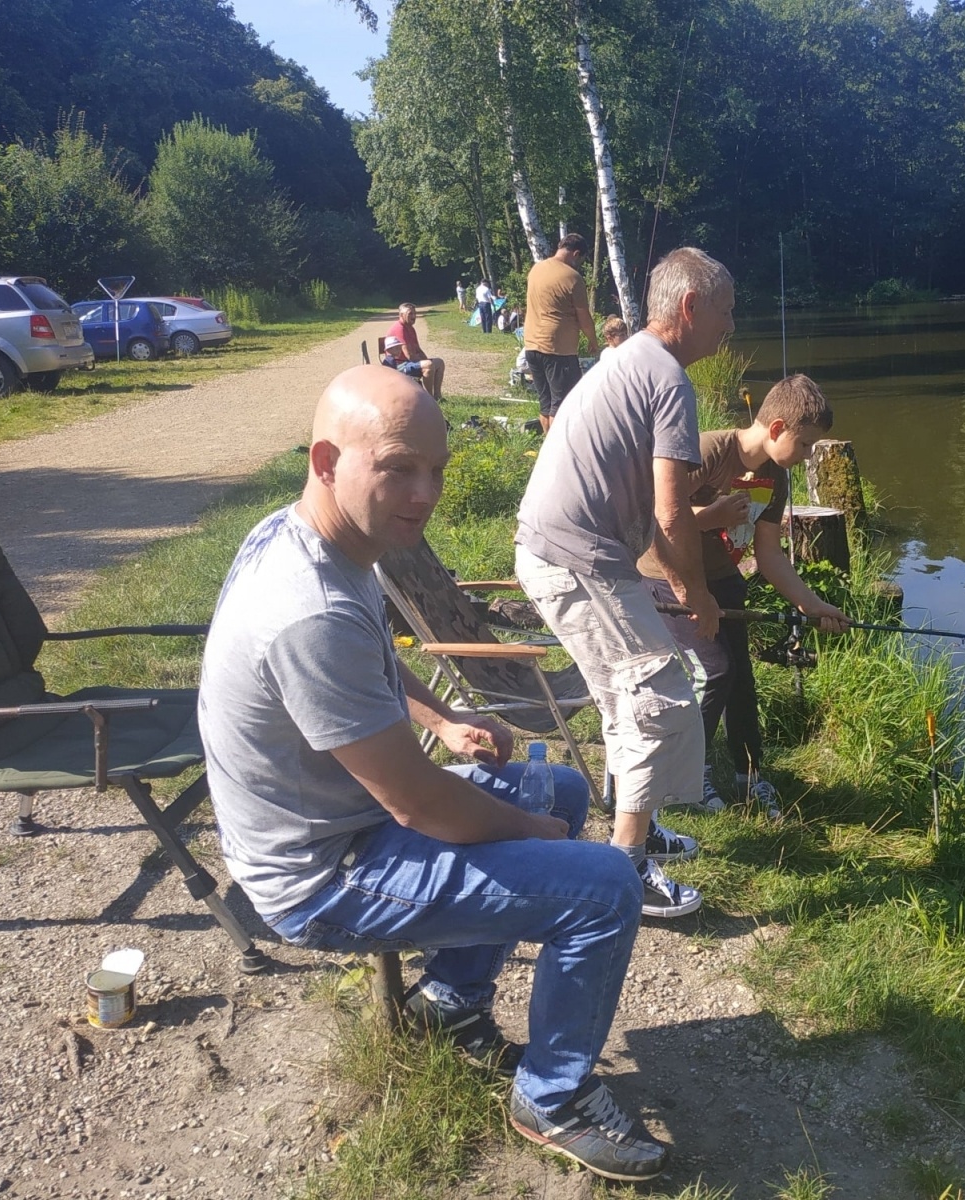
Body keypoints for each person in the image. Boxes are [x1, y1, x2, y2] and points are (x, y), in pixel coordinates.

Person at [197, 365, 667, 1182]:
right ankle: (551, 1099)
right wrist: (535, 836)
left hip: (347, 821)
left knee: (557, 783)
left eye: (438, 470)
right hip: (321, 875)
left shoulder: (314, 535)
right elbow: (418, 806)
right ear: (325, 460)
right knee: (603, 884)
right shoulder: (305, 609)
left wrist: (441, 719)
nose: (425, 493)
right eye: (398, 468)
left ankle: (450, 1002)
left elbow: (370, 655)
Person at [514, 246, 732, 919]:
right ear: (691, 307)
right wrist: (698, 598)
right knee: (659, 695)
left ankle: (639, 827)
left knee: (623, 697)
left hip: (559, 550)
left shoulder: (630, 358)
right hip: (576, 557)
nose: (730, 329)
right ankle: (626, 868)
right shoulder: (667, 378)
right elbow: (671, 514)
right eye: (726, 313)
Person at [638, 374, 849, 817]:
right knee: (714, 672)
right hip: (665, 577)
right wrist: (709, 515)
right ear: (776, 429)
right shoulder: (709, 451)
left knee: (741, 680)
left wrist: (812, 604)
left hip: (723, 577)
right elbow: (654, 519)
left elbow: (770, 556)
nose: (809, 455)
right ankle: (683, 780)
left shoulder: (777, 475)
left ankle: (748, 773)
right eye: (806, 444)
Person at [524, 232, 599, 433]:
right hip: (558, 349)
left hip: (532, 344)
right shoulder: (573, 278)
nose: (580, 264)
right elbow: (584, 317)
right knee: (562, 404)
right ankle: (558, 452)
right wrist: (593, 341)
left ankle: (547, 448)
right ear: (576, 253)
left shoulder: (536, 269)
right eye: (581, 259)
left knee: (545, 403)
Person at [385, 303, 444, 400]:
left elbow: (418, 349)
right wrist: (426, 363)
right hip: (398, 365)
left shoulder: (410, 328)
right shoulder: (400, 329)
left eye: (414, 313)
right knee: (428, 366)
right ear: (401, 315)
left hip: (408, 363)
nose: (413, 316)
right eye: (410, 314)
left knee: (439, 362)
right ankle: (429, 400)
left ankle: (437, 397)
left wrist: (427, 360)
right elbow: (410, 356)